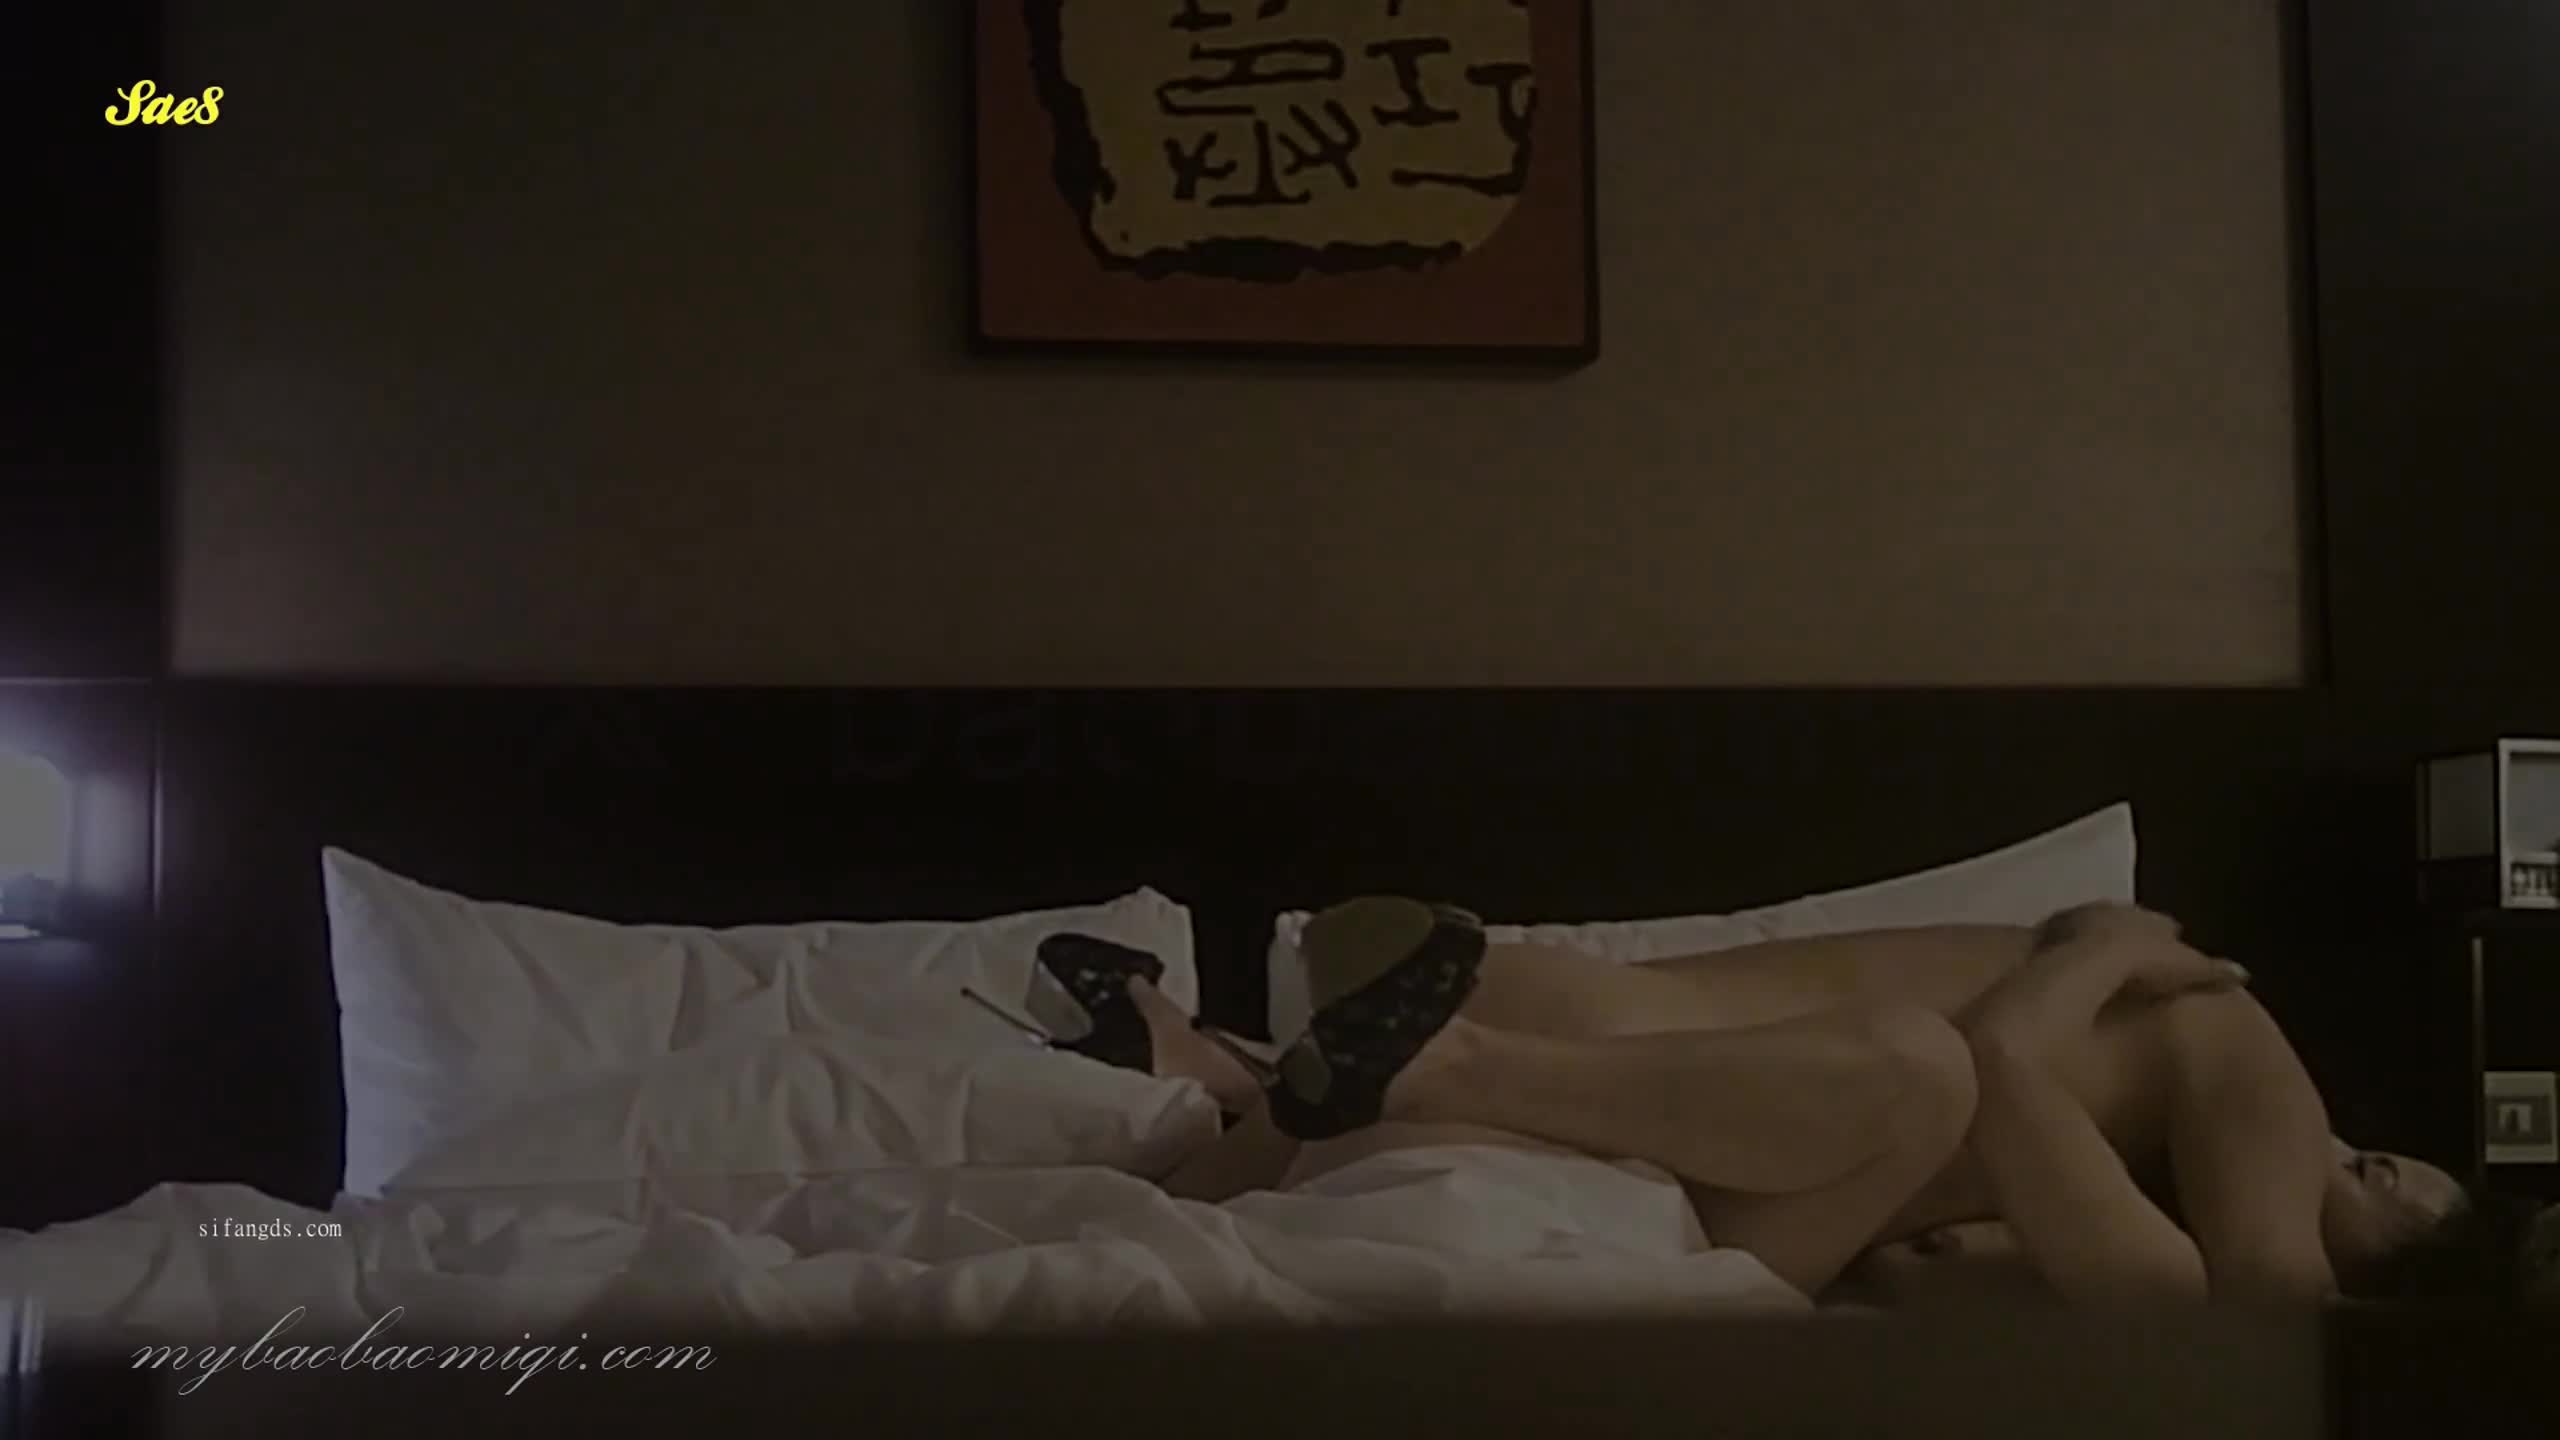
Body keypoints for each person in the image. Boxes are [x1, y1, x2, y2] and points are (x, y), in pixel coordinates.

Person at [1022, 897, 2517, 1305]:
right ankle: (1276, 1083)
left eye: (2389, 1181)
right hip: (1648, 1114)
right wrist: (2105, 951)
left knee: (1174, 1215)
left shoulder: (2110, 1173)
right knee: (1916, 1069)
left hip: (1605, 1071)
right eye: (2388, 1164)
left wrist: (2094, 948)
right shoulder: (2232, 1036)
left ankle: (1196, 1062)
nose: (2359, 1163)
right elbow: (2274, 1310)